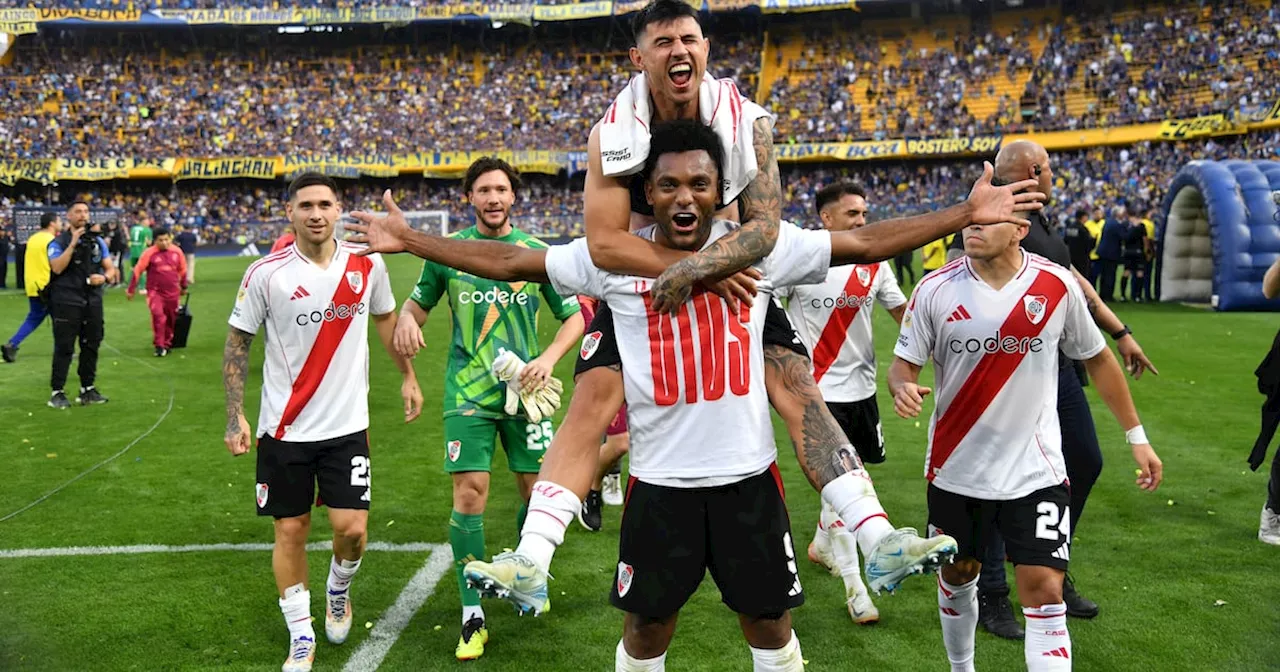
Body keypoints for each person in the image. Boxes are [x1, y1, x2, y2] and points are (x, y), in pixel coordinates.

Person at [348, 119, 1046, 672]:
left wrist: (962, 212)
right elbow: (511, 260)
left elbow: (861, 241)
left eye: (701, 184)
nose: (686, 197)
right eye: (671, 184)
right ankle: (537, 553)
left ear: (721, 191)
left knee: (771, 623)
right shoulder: (614, 261)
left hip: (747, 483)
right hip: (660, 488)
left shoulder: (760, 249)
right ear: (647, 193)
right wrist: (411, 240)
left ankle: (873, 531)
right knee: (647, 628)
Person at [889, 214, 1164, 672]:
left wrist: (1137, 438)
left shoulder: (1055, 284)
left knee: (1045, 591)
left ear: (1019, 230)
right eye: (968, 222)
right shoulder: (934, 289)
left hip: (1037, 470)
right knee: (959, 576)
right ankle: (962, 667)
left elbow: (1096, 358)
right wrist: (901, 386)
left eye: (986, 222)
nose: (970, 230)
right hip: (958, 469)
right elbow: (903, 366)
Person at [945, 140, 1160, 639]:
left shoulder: (1040, 218)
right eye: (1050, 168)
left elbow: (1072, 279)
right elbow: (958, 268)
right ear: (1035, 169)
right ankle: (993, 592)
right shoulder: (990, 210)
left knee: (1083, 461)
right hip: (1002, 369)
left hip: (1055, 366)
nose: (1054, 176)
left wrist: (1119, 332)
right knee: (1002, 480)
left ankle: (1048, 562)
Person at [221, 173, 423, 672]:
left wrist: (409, 377)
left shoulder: (367, 264)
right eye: (305, 204)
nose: (316, 213)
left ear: (339, 210)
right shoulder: (265, 273)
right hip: (284, 429)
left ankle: (338, 591)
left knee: (351, 529)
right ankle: (300, 634)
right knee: (290, 530)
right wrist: (234, 415)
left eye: (325, 204)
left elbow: (384, 321)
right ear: (289, 212)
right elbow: (237, 344)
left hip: (347, 426)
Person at [390, 157, 584, 662]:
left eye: (501, 189)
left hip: (526, 396)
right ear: (470, 198)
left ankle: (526, 576)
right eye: (483, 190)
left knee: (534, 493)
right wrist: (408, 322)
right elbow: (416, 306)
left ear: (513, 197)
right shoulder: (447, 253)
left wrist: (546, 358)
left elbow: (574, 319)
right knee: (470, 494)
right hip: (468, 395)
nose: (493, 198)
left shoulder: (538, 254)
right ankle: (471, 614)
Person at [777, 181, 906, 625]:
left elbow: (905, 320)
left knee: (843, 489)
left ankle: (818, 545)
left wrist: (909, 370)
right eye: (852, 214)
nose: (862, 221)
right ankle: (856, 589)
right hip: (816, 396)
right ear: (826, 219)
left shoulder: (875, 262)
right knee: (848, 487)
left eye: (864, 214)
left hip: (863, 392)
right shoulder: (800, 260)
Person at [46, 202, 117, 409]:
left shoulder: (97, 241)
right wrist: (73, 242)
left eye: (86, 211)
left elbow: (111, 269)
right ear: (68, 216)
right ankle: (57, 391)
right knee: (64, 347)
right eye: (78, 211)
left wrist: (103, 277)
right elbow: (57, 268)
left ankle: (87, 388)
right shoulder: (58, 242)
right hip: (66, 300)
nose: (83, 215)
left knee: (91, 344)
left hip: (92, 300)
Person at [575, 292, 630, 533]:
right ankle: (592, 485)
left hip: (655, 359)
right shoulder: (598, 267)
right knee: (620, 443)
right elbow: (587, 317)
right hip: (612, 363)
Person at [3, 213, 59, 363]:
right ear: (52, 223)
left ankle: (13, 343)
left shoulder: (33, 238)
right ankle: (62, 350)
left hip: (33, 284)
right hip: (47, 285)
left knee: (35, 317)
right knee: (59, 319)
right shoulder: (51, 240)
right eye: (59, 221)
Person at [127, 227, 189, 357]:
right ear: (155, 241)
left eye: (167, 239)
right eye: (161, 240)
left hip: (173, 292)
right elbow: (137, 270)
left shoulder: (177, 252)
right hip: (155, 292)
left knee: (171, 318)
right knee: (158, 316)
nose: (165, 243)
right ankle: (159, 346)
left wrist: (183, 287)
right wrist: (131, 289)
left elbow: (183, 270)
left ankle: (167, 343)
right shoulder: (149, 253)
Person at [1061, 211, 1094, 281]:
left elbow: (1065, 241)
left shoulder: (1069, 227)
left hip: (1071, 257)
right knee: (1082, 279)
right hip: (1082, 259)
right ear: (1083, 217)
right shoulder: (1083, 229)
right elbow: (1088, 243)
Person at [128, 212, 153, 292]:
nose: (149, 222)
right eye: (147, 221)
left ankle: (130, 286)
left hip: (133, 251)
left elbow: (130, 239)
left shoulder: (133, 228)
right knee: (142, 269)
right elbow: (149, 242)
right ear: (143, 222)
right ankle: (142, 287)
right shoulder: (147, 230)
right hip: (141, 251)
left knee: (133, 269)